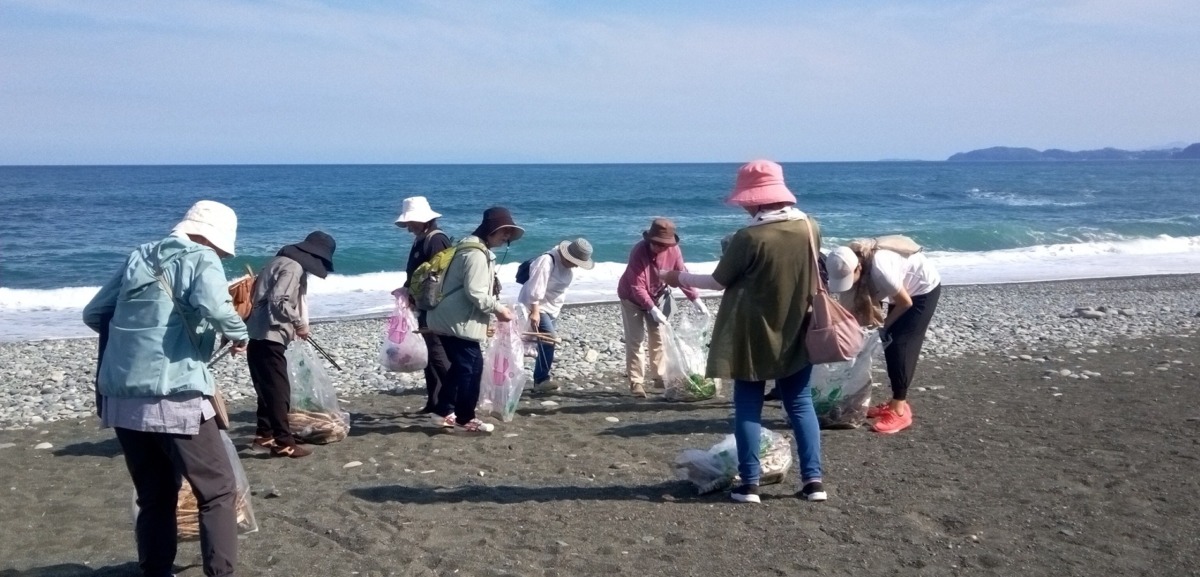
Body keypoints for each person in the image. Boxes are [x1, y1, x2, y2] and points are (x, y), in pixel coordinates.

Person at [82, 200, 249, 577]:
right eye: (222, 249)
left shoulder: (138, 256)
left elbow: (94, 314)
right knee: (218, 490)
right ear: (212, 238)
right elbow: (218, 309)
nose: (220, 255)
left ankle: (155, 571)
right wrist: (239, 336)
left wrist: (135, 346)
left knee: (155, 494)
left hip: (121, 398)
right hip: (176, 395)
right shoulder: (200, 258)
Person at [662, 160, 826, 504]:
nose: (745, 205)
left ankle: (749, 483)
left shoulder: (749, 237)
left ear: (756, 199)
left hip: (752, 333)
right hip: (798, 327)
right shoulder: (810, 227)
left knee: (748, 407)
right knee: (800, 404)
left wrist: (678, 279)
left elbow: (719, 281)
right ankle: (814, 481)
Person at [825, 238, 942, 435]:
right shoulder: (851, 258)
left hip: (922, 291)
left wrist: (885, 326)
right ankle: (895, 402)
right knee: (891, 343)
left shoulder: (880, 269)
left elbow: (905, 303)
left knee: (900, 344)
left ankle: (900, 410)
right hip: (903, 288)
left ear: (858, 269)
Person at [426, 207, 521, 433]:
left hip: (447, 318)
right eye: (503, 232)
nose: (505, 237)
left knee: (462, 367)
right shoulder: (476, 254)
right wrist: (498, 310)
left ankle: (442, 412)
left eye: (508, 233)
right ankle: (464, 418)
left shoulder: (469, 248)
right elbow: (476, 293)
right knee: (471, 368)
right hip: (456, 321)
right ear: (490, 230)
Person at [246, 230, 337, 458]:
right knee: (278, 390)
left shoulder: (278, 261)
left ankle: (264, 435)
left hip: (257, 332)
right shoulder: (293, 267)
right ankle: (283, 442)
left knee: (266, 387)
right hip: (270, 334)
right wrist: (298, 324)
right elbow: (279, 300)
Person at [616, 218, 708, 398]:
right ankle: (636, 382)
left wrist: (695, 299)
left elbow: (681, 275)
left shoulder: (674, 251)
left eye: (663, 245)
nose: (659, 248)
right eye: (656, 244)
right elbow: (637, 287)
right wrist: (652, 309)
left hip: (657, 295)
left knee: (658, 338)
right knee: (636, 340)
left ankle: (659, 376)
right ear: (649, 240)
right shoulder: (639, 251)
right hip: (631, 298)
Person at [395, 196, 453, 413]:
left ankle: (452, 403)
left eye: (410, 223)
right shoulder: (423, 238)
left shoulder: (436, 240)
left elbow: (442, 275)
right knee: (430, 354)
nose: (408, 228)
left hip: (436, 307)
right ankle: (435, 402)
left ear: (423, 220)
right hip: (425, 305)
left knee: (437, 354)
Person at [519, 238, 595, 393]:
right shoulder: (547, 261)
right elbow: (536, 287)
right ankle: (541, 380)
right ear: (567, 255)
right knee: (549, 340)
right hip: (536, 306)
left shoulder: (566, 267)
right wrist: (534, 311)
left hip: (552, 309)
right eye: (575, 261)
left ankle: (537, 379)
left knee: (541, 343)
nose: (576, 265)